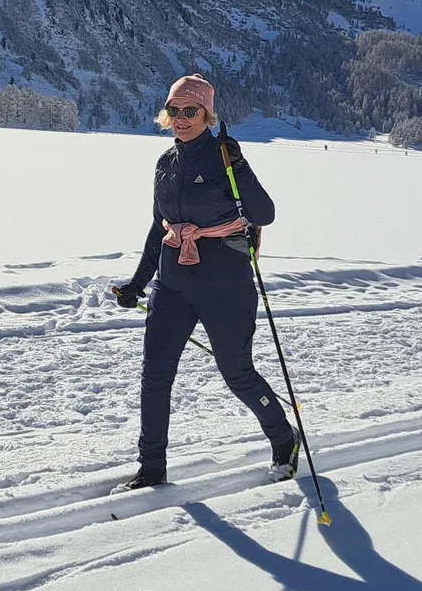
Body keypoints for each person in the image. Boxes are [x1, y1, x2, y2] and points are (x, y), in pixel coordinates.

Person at [109, 74, 298, 490]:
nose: (181, 119)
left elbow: (263, 214)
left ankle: (285, 439)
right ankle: (152, 469)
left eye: (190, 111)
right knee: (155, 376)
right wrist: (138, 283)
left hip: (225, 285)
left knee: (237, 374)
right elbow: (159, 227)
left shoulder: (225, 160)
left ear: (208, 115)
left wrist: (241, 166)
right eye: (174, 111)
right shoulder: (165, 164)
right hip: (173, 286)